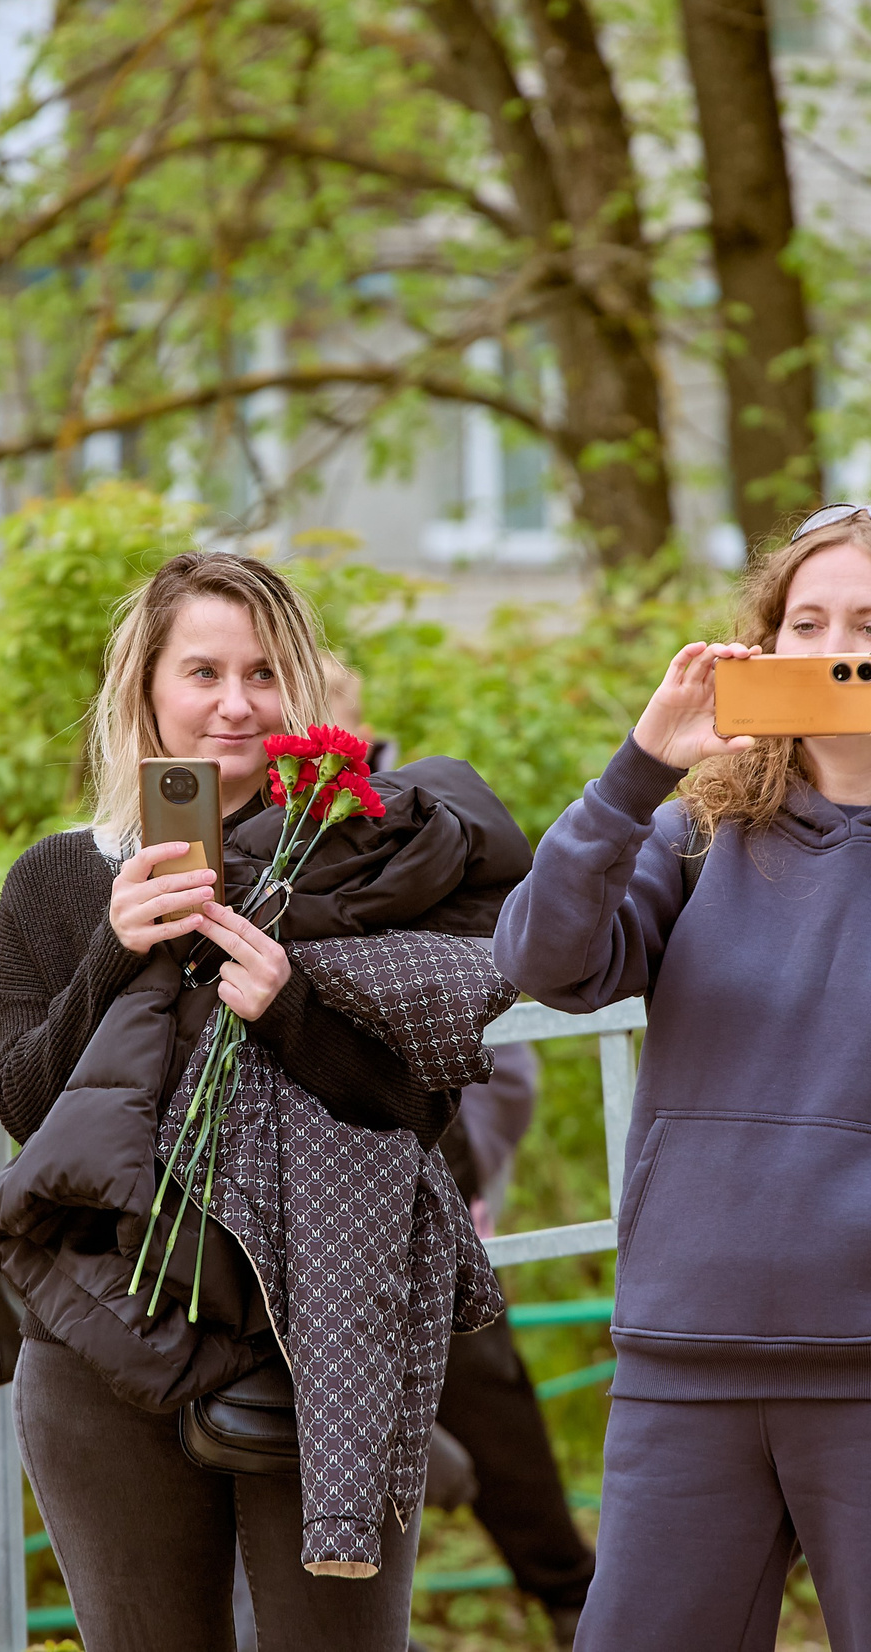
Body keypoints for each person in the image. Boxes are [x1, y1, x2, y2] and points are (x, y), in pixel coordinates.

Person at [493, 503, 871, 1651]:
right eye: (807, 620)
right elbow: (541, 960)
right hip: (688, 1365)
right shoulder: (691, 840)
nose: (838, 644)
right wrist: (638, 769)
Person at [0, 551, 523, 1652]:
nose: (235, 704)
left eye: (266, 674)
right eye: (203, 672)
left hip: (314, 1338)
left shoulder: (372, 869)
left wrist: (289, 1009)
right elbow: (29, 1107)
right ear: (146, 690)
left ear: (305, 696)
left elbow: (418, 1118)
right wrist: (112, 949)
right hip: (102, 1340)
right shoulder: (60, 876)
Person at [326, 655, 596, 1649]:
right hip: (290, 1173)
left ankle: (572, 1595)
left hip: (426, 1160)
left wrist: (471, 1167)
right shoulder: (218, 827)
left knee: (490, 1395)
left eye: (329, 704)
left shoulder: (427, 826)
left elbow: (503, 1017)